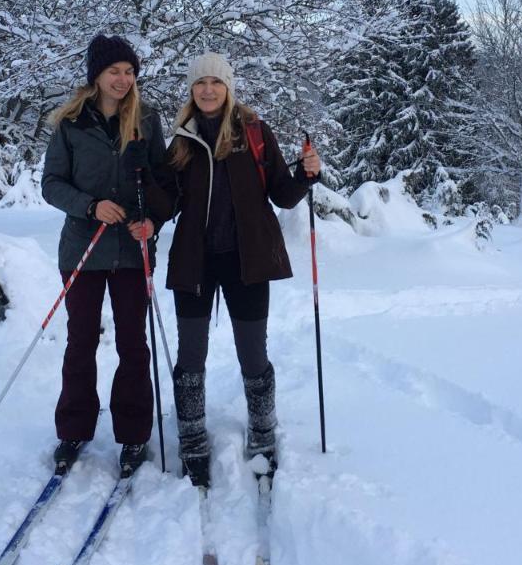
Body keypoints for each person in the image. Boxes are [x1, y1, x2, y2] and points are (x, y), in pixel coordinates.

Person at [160, 52, 321, 488]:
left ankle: (263, 427)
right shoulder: (181, 138)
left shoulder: (254, 132)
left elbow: (283, 195)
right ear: (191, 92)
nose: (208, 90)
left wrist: (307, 176)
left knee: (253, 351)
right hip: (195, 261)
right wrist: (144, 201)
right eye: (200, 83)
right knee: (190, 354)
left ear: (229, 88)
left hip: (247, 261)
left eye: (216, 82)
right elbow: (166, 200)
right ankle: (192, 435)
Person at [41, 34, 171, 477]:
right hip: (83, 248)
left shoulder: (148, 120)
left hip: (133, 252)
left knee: (134, 344)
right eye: (114, 71)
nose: (123, 79)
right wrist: (90, 206)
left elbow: (162, 184)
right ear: (96, 75)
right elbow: (52, 184)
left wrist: (151, 218)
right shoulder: (71, 123)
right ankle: (74, 428)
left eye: (129, 71)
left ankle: (134, 433)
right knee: (82, 341)